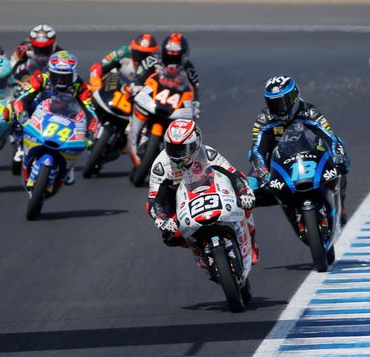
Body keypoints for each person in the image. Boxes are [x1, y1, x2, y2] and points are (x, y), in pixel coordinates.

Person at [147, 119, 259, 266]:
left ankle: (250, 238)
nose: (177, 154)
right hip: (176, 199)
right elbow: (154, 199)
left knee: (244, 181)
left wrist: (244, 192)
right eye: (172, 147)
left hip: (208, 188)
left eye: (183, 148)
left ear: (197, 143)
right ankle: (198, 249)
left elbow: (233, 173)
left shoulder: (207, 153)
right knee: (170, 237)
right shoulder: (161, 165)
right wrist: (161, 219)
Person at [250, 75, 350, 222]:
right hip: (276, 160)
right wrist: (263, 173)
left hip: (308, 154)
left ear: (295, 96)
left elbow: (330, 137)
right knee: (248, 188)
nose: (279, 108)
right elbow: (256, 149)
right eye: (273, 104)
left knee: (341, 152)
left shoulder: (310, 112)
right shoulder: (264, 118)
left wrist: (337, 156)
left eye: (283, 102)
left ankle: (340, 202)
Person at [13, 51, 96, 183]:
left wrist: (91, 133)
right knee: (13, 111)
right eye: (56, 76)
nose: (60, 81)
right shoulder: (41, 77)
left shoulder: (80, 86)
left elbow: (91, 112)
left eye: (65, 77)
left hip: (66, 117)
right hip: (40, 112)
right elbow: (22, 99)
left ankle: (68, 165)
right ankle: (20, 146)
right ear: (50, 72)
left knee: (82, 137)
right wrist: (22, 115)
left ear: (73, 76)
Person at [87, 33, 159, 94]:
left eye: (146, 55)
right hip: (113, 90)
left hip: (138, 94)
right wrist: (95, 82)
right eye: (138, 53)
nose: (141, 58)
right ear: (132, 48)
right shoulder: (123, 52)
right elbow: (97, 67)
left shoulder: (157, 63)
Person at [9, 24, 62, 96]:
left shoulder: (60, 55)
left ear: (53, 45)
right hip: (25, 86)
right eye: (38, 49)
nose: (42, 53)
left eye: (46, 49)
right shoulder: (21, 50)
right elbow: (11, 72)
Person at [160, 33, 200, 100]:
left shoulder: (189, 69)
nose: (172, 61)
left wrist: (194, 102)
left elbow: (195, 89)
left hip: (176, 103)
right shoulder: (154, 61)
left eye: (176, 58)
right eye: (168, 57)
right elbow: (140, 78)